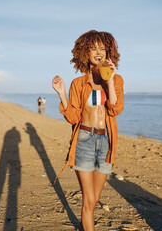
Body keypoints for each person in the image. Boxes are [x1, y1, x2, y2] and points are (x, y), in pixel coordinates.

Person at [52, 30, 124, 231]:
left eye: (102, 48)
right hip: (83, 139)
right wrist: (62, 95)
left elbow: (115, 108)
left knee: (94, 200)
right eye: (93, 49)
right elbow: (73, 117)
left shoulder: (117, 81)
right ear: (85, 53)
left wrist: (109, 79)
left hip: (106, 142)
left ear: (109, 52)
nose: (98, 52)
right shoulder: (78, 83)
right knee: (88, 199)